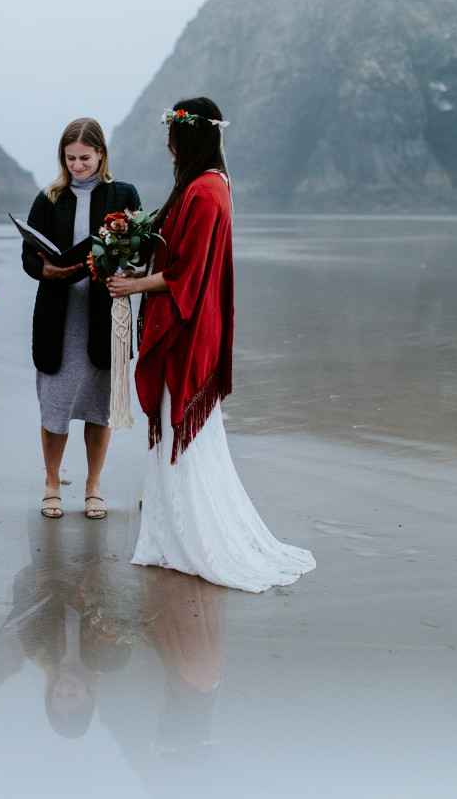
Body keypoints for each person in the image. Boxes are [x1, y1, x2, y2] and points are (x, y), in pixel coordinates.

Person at [105, 98, 314, 592]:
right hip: (193, 323)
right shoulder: (207, 186)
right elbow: (178, 261)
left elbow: (187, 276)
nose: (168, 147)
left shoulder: (203, 193)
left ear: (190, 138)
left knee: (183, 431)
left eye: (173, 138)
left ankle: (191, 543)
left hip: (189, 329)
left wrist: (135, 286)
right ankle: (171, 538)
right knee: (186, 436)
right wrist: (142, 269)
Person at [21, 118, 140, 520]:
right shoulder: (48, 197)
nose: (77, 165)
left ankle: (93, 487)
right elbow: (28, 257)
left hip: (104, 312)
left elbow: (141, 253)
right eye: (70, 158)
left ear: (101, 154)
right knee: (54, 402)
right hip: (58, 312)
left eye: (85, 158)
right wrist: (45, 272)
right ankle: (52, 484)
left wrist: (127, 270)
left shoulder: (124, 194)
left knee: (96, 405)